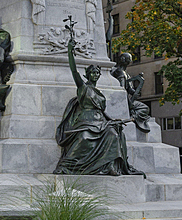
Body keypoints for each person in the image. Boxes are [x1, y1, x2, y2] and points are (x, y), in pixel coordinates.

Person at [55, 32, 145, 177]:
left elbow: (102, 111)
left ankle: (109, 166)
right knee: (84, 137)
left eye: (98, 73)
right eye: (93, 73)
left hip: (100, 121)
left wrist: (112, 120)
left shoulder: (99, 92)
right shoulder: (83, 88)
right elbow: (73, 70)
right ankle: (67, 164)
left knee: (113, 134)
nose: (96, 75)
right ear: (88, 75)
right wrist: (70, 52)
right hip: (86, 120)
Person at [111, 53, 152, 135]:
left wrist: (136, 92)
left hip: (126, 100)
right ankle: (132, 117)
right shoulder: (120, 73)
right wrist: (129, 104)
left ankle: (133, 115)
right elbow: (122, 90)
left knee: (145, 108)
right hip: (123, 101)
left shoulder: (126, 74)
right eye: (129, 59)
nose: (130, 61)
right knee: (145, 108)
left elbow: (129, 89)